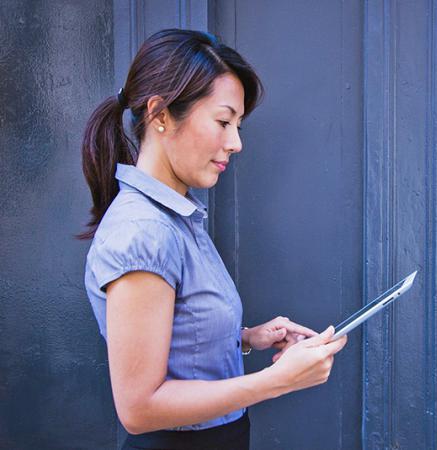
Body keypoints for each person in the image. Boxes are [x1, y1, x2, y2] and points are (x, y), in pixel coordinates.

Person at [79, 28, 347, 450]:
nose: (236, 142)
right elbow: (139, 408)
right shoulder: (144, 231)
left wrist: (244, 336)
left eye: (238, 125)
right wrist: (275, 381)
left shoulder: (174, 217)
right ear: (161, 113)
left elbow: (172, 331)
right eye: (223, 121)